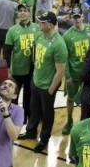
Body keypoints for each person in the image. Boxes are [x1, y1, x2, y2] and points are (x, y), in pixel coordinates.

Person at [29, 12, 68, 153]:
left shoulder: (59, 44)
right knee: (34, 109)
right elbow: (35, 56)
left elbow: (60, 71)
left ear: (50, 25)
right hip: (36, 81)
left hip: (47, 87)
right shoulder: (40, 36)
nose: (39, 23)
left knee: (47, 114)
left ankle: (44, 139)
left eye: (42, 22)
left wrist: (51, 89)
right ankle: (30, 132)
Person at [4, 3, 39, 131]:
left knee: (29, 98)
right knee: (14, 97)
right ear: (18, 14)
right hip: (17, 70)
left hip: (32, 70)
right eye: (20, 11)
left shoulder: (37, 28)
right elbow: (7, 52)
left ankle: (28, 122)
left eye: (25, 10)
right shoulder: (12, 30)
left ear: (29, 13)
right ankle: (13, 121)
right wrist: (8, 70)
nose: (23, 13)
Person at [62, 6, 90, 135]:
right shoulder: (67, 35)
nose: (77, 19)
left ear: (83, 16)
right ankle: (69, 121)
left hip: (88, 74)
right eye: (74, 17)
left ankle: (85, 123)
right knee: (70, 98)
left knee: (87, 101)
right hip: (74, 75)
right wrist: (68, 76)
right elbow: (65, 58)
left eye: (78, 16)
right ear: (72, 18)